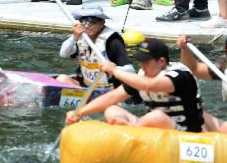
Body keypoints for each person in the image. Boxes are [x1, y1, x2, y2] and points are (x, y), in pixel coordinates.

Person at [66, 38, 205, 132]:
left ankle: (128, 134)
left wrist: (115, 71)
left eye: (146, 61)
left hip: (185, 134)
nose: (141, 65)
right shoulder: (142, 76)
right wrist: (79, 112)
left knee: (156, 116)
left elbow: (151, 86)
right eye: (140, 61)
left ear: (161, 61)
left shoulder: (180, 76)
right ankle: (127, 134)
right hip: (153, 130)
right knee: (112, 110)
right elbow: (113, 96)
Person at [56, 5, 133, 88]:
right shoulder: (80, 37)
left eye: (92, 21)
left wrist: (114, 69)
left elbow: (131, 70)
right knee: (62, 79)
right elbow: (63, 54)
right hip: (85, 86)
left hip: (107, 89)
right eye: (83, 21)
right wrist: (74, 38)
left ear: (102, 22)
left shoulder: (112, 40)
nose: (87, 25)